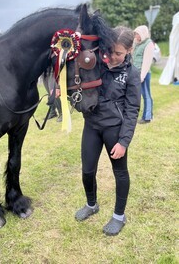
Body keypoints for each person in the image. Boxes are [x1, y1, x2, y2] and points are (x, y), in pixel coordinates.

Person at [74, 26, 141, 236]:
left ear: (129, 50)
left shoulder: (131, 73)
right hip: (92, 126)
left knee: (120, 173)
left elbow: (132, 109)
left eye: (118, 53)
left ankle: (119, 216)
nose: (112, 57)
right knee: (87, 170)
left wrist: (124, 141)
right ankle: (92, 204)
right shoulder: (97, 64)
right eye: (110, 51)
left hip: (114, 130)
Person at [133, 25, 154, 124]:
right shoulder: (137, 43)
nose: (136, 36)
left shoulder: (149, 44)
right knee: (136, 95)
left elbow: (147, 62)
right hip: (135, 73)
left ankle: (147, 117)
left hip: (143, 74)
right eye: (135, 34)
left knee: (146, 95)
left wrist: (142, 76)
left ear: (142, 34)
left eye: (137, 34)